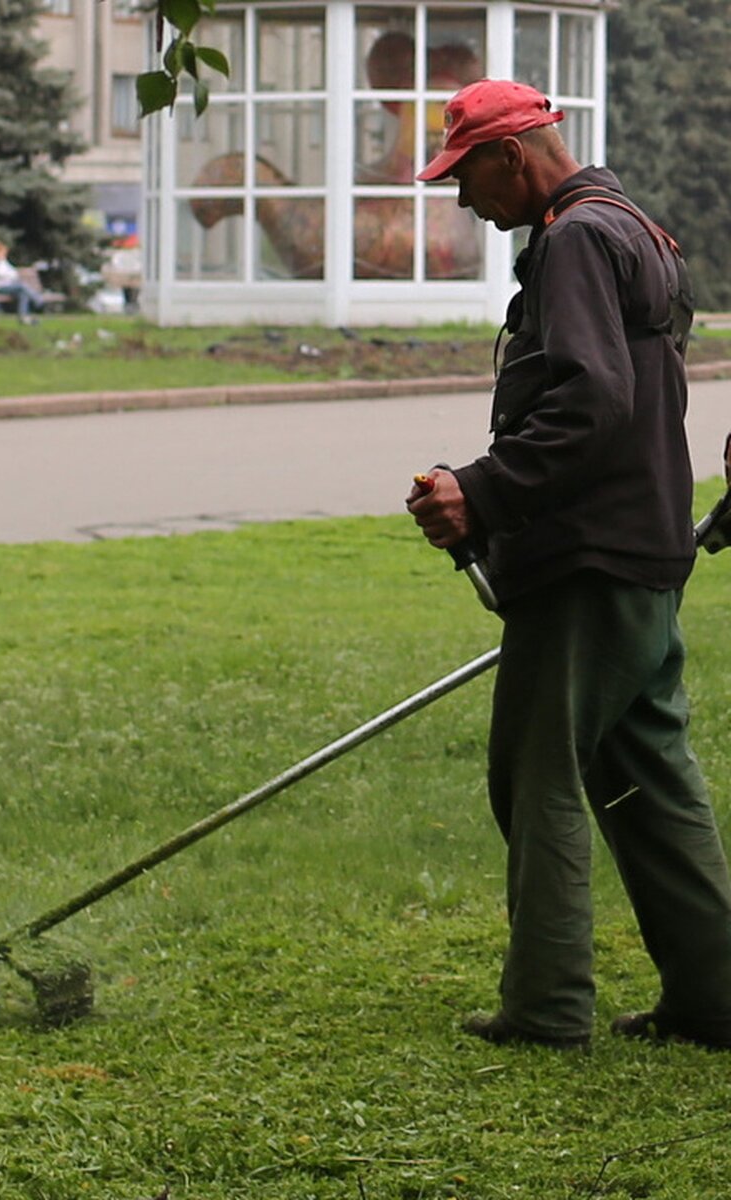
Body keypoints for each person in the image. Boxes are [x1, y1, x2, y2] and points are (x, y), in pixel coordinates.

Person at [406, 79, 731, 1050]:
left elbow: (593, 400)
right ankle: (715, 1000)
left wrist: (482, 490)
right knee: (647, 771)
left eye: (464, 175)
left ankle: (546, 1007)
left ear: (512, 153)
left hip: (588, 558)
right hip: (644, 550)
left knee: (535, 771)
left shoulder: (577, 239)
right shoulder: (636, 226)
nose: (461, 200)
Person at [0, 239, 44, 323]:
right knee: (21, 286)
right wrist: (6, 274)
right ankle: (38, 300)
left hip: (6, 286)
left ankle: (23, 317)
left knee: (23, 294)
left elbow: (13, 273)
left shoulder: (4, 262)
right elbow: (0, 274)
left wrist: (6, 274)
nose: (4, 254)